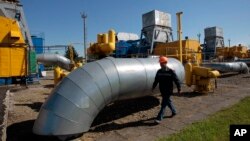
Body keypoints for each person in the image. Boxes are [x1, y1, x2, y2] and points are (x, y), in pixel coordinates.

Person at [152, 56, 181, 124]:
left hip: (168, 90)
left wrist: (179, 88)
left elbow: (176, 80)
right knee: (168, 101)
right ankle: (174, 112)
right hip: (162, 90)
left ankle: (159, 118)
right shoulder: (159, 71)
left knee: (163, 104)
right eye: (160, 63)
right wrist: (153, 87)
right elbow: (156, 80)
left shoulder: (171, 71)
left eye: (162, 63)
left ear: (165, 63)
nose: (160, 64)